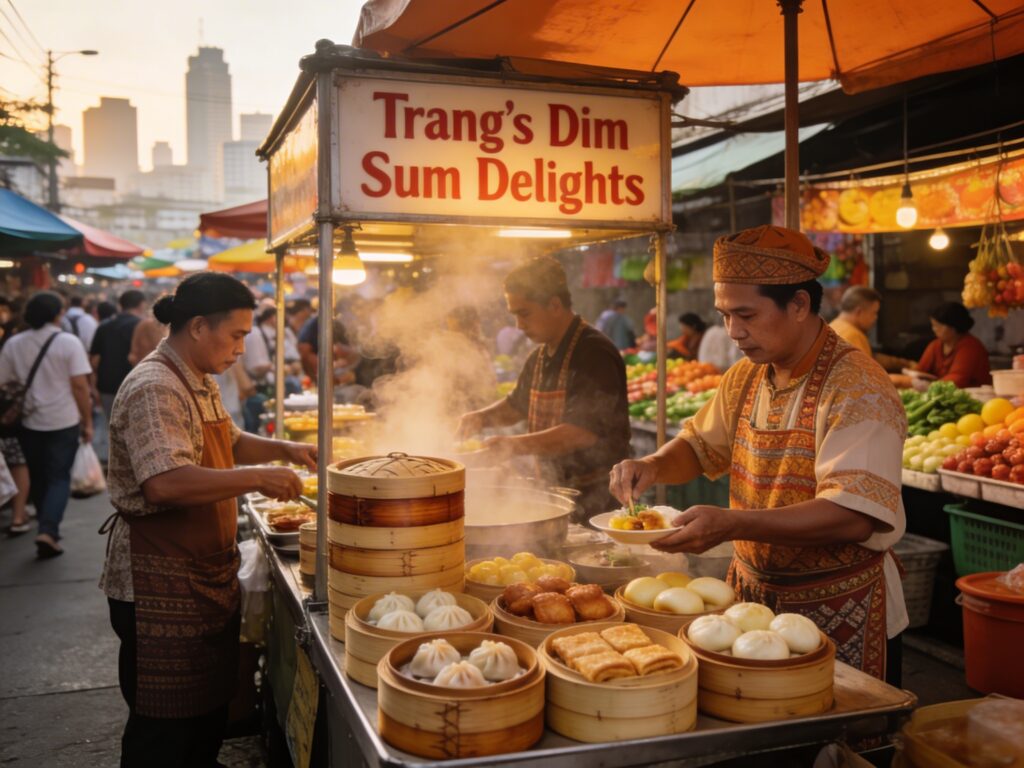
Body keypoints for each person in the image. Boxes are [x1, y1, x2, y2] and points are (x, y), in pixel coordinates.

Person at [609, 226, 908, 684]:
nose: (733, 331)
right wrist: (651, 466)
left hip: (841, 607)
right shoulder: (748, 375)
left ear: (800, 305)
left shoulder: (858, 386)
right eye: (725, 315)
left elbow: (853, 514)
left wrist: (733, 523)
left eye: (745, 314)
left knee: (837, 746)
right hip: (749, 607)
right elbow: (698, 445)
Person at [98, 272, 316, 767]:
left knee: (203, 713)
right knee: (163, 725)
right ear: (198, 327)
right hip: (156, 583)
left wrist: (285, 448)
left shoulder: (196, 377)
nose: (242, 348)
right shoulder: (156, 386)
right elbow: (165, 482)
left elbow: (229, 439)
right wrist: (258, 478)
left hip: (197, 571)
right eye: (237, 335)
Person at [458, 256, 631, 520]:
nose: (519, 325)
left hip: (597, 501)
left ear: (554, 304)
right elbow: (516, 406)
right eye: (514, 315)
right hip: (553, 493)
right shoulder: (539, 357)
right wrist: (480, 418)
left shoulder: (594, 353)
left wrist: (510, 446)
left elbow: (581, 433)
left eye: (524, 313)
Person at [0, 292, 92, 557]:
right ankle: (48, 530)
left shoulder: (14, 343)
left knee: (39, 476)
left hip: (28, 421)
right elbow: (79, 386)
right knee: (58, 476)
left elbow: (4, 382)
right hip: (64, 420)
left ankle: (45, 525)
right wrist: (87, 421)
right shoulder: (68, 342)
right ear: (56, 314)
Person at [91, 290, 147, 425]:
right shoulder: (143, 326)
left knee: (113, 428)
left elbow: (94, 360)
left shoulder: (103, 327)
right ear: (141, 305)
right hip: (135, 386)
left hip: (107, 386)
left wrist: (93, 387)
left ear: (120, 305)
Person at [830, 286, 912, 373]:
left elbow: (871, 358)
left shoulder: (834, 326)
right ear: (859, 312)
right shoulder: (852, 335)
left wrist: (905, 364)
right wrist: (909, 381)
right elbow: (864, 377)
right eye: (874, 313)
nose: (875, 318)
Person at [912, 302, 991, 388]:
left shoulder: (971, 346)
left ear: (953, 327)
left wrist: (928, 386)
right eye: (933, 325)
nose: (934, 329)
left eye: (938, 326)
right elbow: (919, 372)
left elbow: (957, 380)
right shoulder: (935, 345)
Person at [673, 312, 742, 372]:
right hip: (705, 370)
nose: (682, 330)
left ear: (693, 326)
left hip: (720, 370)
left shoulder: (709, 334)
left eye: (684, 327)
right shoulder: (686, 339)